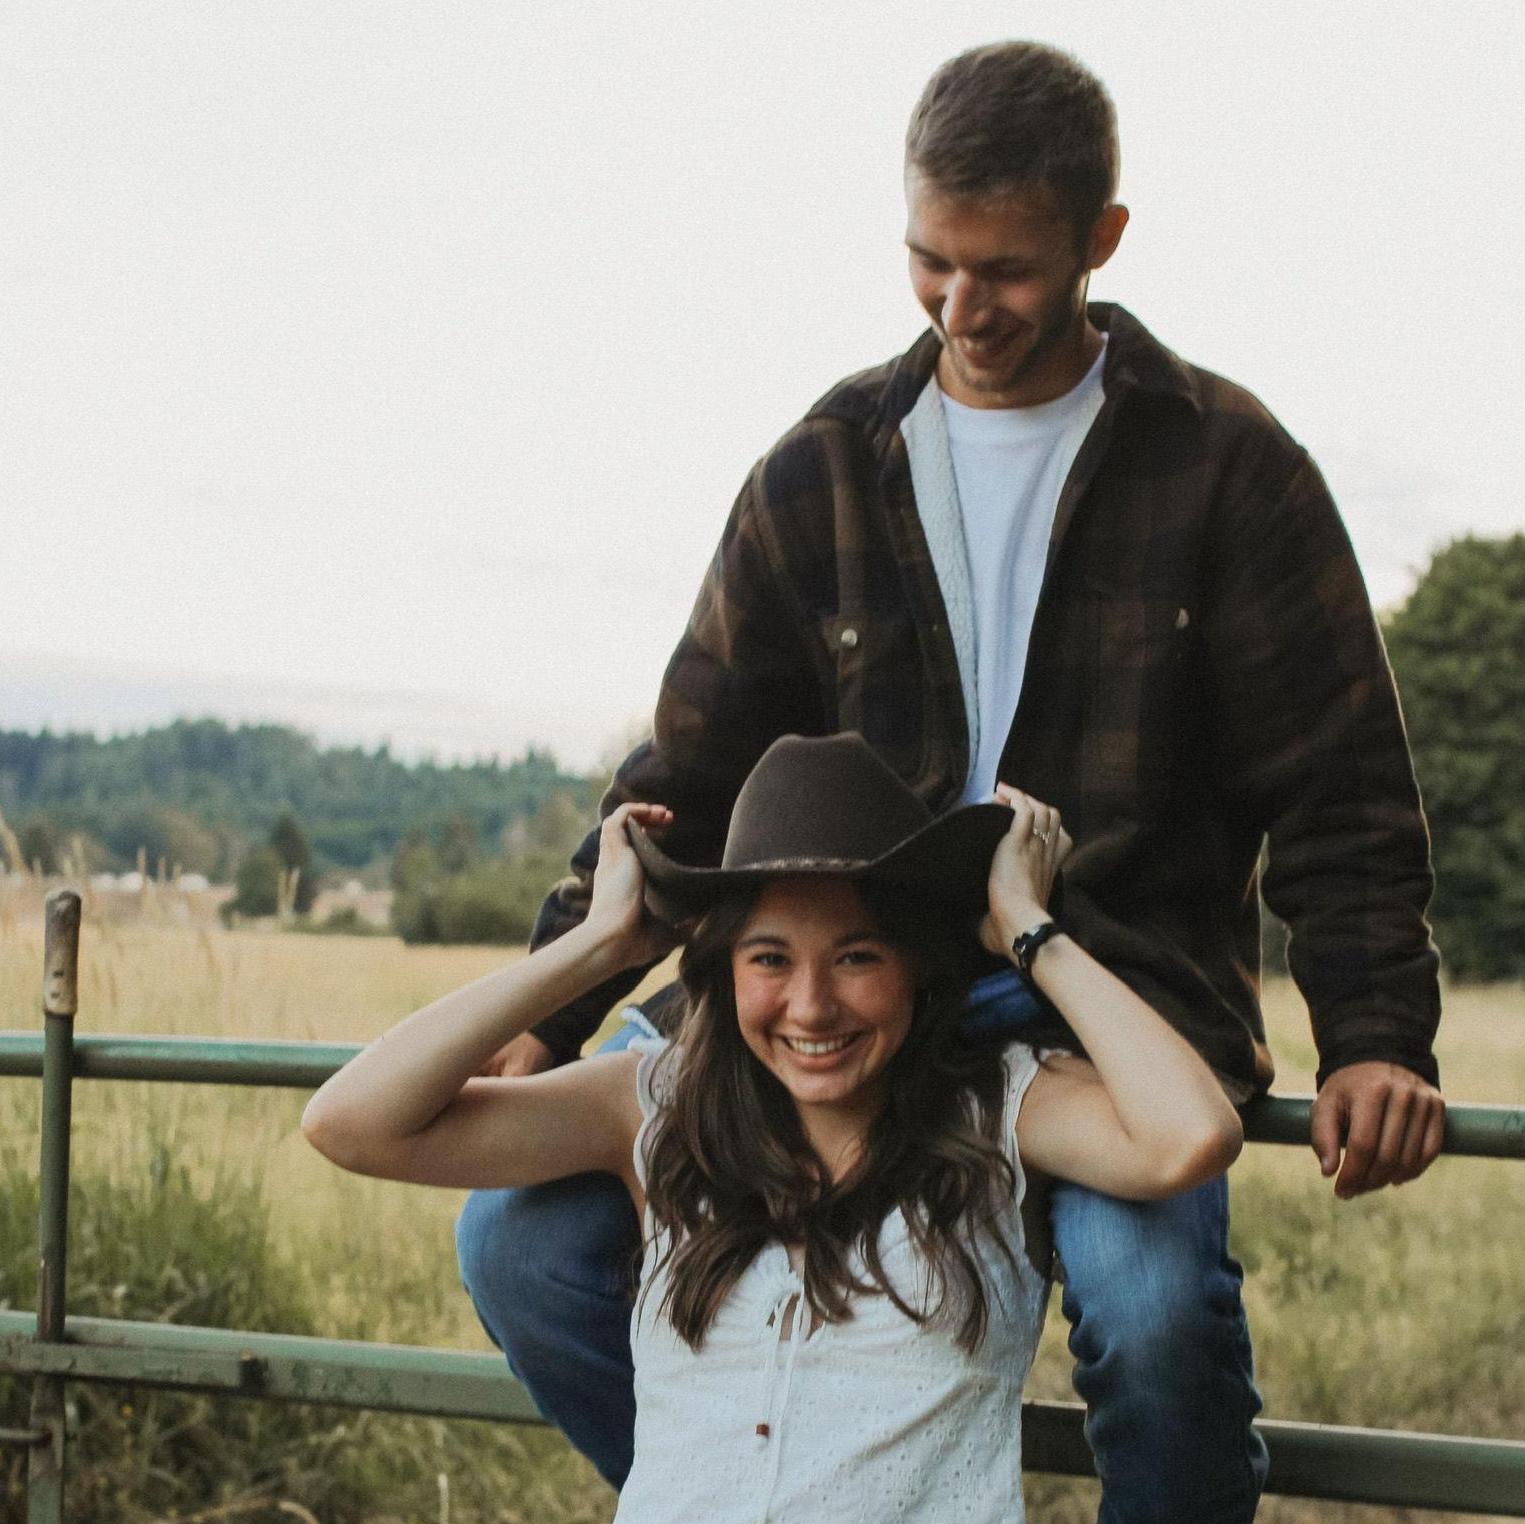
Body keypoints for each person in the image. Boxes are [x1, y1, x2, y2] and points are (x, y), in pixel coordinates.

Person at [458, 40, 1445, 1522]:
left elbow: (1343, 782)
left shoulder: (1228, 465)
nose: (962, 308)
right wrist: (553, 1004)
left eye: (1007, 271)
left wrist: (1376, 1030)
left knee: (1156, 1316)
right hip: (850, 973)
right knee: (516, 1249)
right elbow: (691, 766)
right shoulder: (827, 462)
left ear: (1100, 243)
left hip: (1109, 984)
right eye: (930, 261)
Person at [305, 733, 1243, 1524]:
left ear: (916, 967)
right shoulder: (653, 1105)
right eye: (769, 958)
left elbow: (1188, 1137)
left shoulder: (1000, 1106)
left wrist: (1029, 930)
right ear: (721, 970)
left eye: (856, 956)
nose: (811, 1006)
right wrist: (598, 945)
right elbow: (352, 1124)